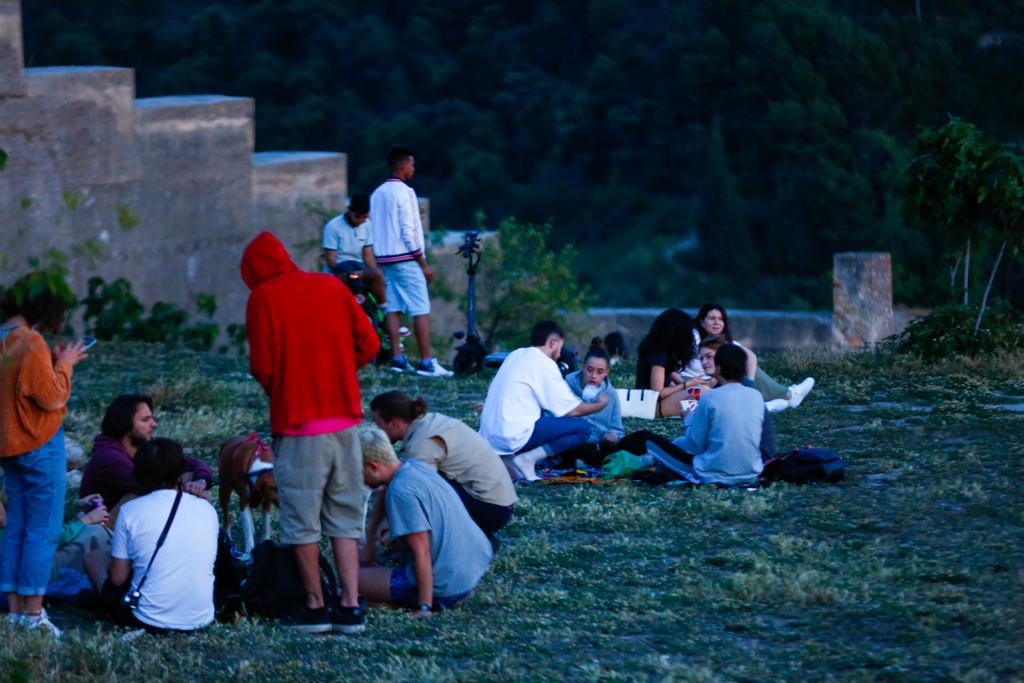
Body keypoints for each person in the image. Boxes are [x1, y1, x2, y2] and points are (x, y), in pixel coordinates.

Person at [242, 230, 380, 635]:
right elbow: (370, 344)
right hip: (345, 425)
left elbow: (261, 365)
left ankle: (316, 607)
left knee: (302, 520)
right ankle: (351, 606)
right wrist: (338, 371)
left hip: (299, 427)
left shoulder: (263, 297)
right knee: (344, 514)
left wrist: (281, 387)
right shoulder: (330, 286)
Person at [0, 272, 87, 636]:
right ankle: (33, 615)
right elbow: (51, 396)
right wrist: (66, 363)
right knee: (43, 531)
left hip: (9, 446)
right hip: (38, 444)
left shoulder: (4, 337)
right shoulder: (32, 342)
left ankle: (15, 610)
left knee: (17, 528)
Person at [357, 429, 493, 614]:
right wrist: (371, 538)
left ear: (373, 467)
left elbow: (423, 552)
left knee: (349, 580)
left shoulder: (401, 491)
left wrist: (424, 607)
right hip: (470, 572)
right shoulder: (413, 467)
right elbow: (383, 490)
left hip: (446, 588)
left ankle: (422, 601)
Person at [99, 438, 218, 634]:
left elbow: (118, 578)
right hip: (201, 618)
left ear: (138, 472)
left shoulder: (129, 511)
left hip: (148, 619)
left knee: (94, 557)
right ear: (181, 473)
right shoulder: (206, 508)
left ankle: (101, 605)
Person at [369, 391, 517, 538]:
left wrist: (389, 524)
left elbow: (412, 491)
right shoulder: (429, 421)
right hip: (500, 503)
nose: (379, 431)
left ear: (394, 422)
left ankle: (436, 546)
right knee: (405, 477)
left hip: (490, 510)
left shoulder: (422, 442)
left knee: (404, 487)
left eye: (379, 425)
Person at [479, 321, 607, 481]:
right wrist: (599, 405)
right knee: (582, 428)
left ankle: (509, 461)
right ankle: (527, 459)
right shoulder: (544, 363)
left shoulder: (516, 354)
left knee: (542, 416)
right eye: (560, 347)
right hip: (511, 436)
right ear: (553, 343)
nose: (560, 354)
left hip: (490, 436)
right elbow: (572, 410)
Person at [369, 146, 451, 377]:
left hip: (385, 258)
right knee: (420, 308)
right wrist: (423, 262)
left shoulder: (377, 194)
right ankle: (426, 362)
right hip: (405, 258)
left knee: (393, 307)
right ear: (403, 166)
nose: (413, 169)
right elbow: (409, 230)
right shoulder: (405, 192)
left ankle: (398, 358)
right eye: (412, 165)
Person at [80, 394, 213, 512]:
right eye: (145, 420)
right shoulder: (108, 458)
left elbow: (189, 462)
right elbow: (153, 488)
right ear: (125, 424)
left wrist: (200, 481)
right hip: (107, 528)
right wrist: (191, 491)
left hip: (136, 514)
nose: (154, 424)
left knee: (187, 475)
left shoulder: (142, 446)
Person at [691, 302, 814, 412]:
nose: (717, 323)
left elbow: (750, 356)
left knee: (748, 369)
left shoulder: (725, 342)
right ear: (702, 321)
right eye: (712, 318)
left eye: (720, 319)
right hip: (697, 384)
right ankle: (779, 401)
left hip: (718, 382)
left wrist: (750, 383)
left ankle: (787, 396)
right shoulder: (693, 337)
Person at [635, 308, 712, 417]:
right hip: (651, 407)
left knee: (700, 390)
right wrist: (687, 384)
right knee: (702, 392)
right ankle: (693, 417)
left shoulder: (660, 352)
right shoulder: (659, 356)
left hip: (653, 404)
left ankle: (694, 416)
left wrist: (692, 383)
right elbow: (658, 393)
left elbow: (669, 375)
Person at [321, 192, 388, 308]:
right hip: (341, 272)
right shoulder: (333, 226)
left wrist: (376, 273)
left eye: (365, 217)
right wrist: (342, 272)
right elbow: (331, 259)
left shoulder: (367, 225)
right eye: (357, 216)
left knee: (378, 275)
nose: (361, 220)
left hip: (359, 272)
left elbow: (368, 255)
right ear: (350, 211)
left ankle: (384, 310)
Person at [564, 344, 624, 451]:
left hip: (599, 446)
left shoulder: (611, 394)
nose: (594, 376)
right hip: (570, 441)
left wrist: (612, 436)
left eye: (600, 372)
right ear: (583, 366)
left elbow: (617, 429)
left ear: (606, 372)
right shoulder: (566, 386)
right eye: (590, 370)